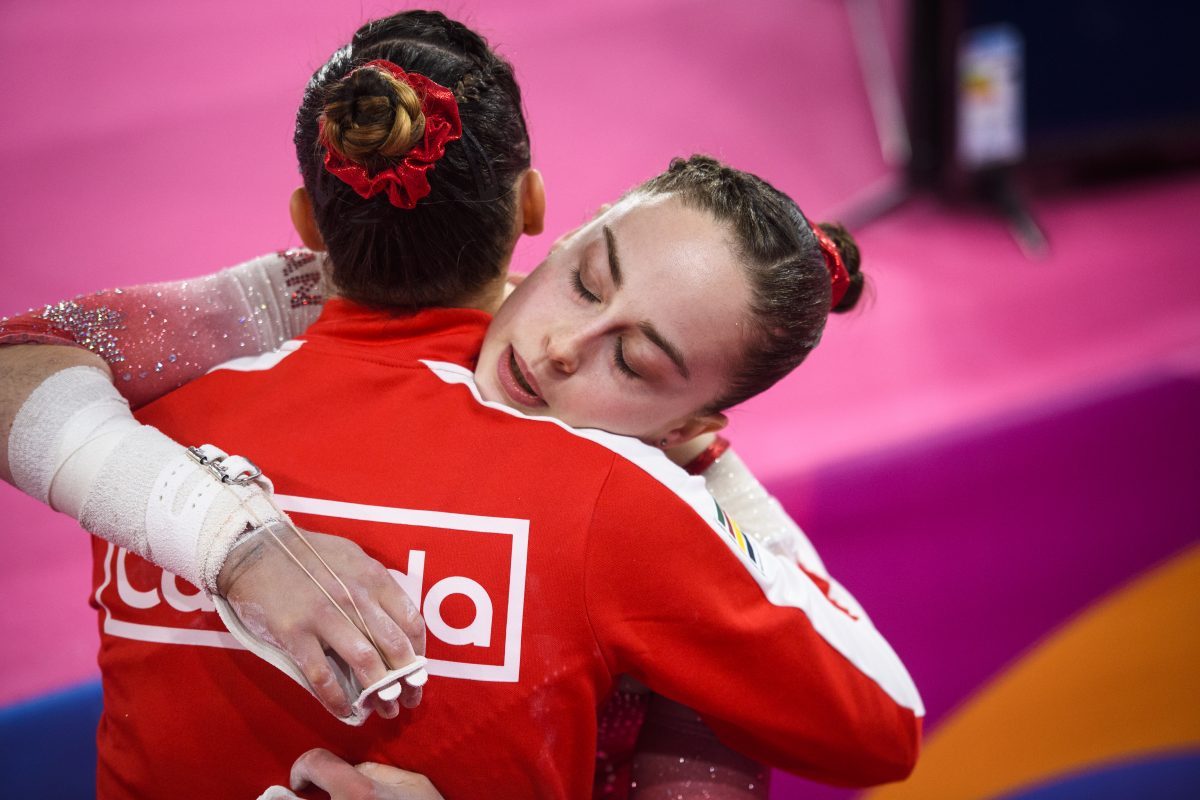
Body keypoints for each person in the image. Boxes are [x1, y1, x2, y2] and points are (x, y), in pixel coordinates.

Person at [0, 10, 920, 800]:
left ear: (309, 222)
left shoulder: (145, 412)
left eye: (634, 360)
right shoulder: (630, 509)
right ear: (540, 217)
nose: (561, 347)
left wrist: (224, 513)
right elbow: (889, 728)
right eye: (589, 283)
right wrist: (716, 479)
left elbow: (21, 357)